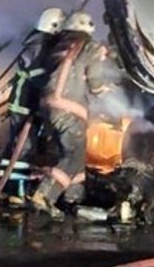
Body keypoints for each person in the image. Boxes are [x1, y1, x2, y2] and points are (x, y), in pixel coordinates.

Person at [29, 11, 112, 221]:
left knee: (71, 153)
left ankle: (73, 198)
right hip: (69, 108)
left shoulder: (57, 45)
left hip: (48, 107)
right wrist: (103, 89)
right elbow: (95, 80)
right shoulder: (90, 46)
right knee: (73, 155)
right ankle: (44, 195)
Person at [0, 7, 65, 215]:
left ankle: (9, 188)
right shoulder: (39, 45)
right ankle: (14, 191)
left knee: (17, 146)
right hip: (25, 103)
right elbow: (37, 75)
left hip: (24, 102)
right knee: (23, 147)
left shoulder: (35, 41)